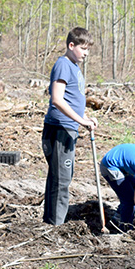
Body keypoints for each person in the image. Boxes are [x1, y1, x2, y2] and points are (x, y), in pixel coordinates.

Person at [42, 27, 97, 225]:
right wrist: (80, 120)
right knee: (61, 180)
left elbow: (72, 100)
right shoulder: (63, 64)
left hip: (69, 128)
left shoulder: (74, 67)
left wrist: (85, 117)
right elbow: (57, 99)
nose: (86, 53)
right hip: (60, 130)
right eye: (83, 48)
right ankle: (55, 226)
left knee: (59, 178)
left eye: (88, 49)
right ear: (71, 45)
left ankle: (51, 222)